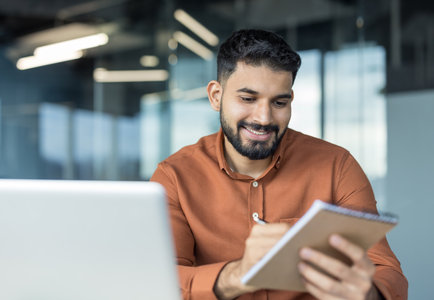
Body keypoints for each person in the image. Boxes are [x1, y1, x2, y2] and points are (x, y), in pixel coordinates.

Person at [151, 29, 408, 300]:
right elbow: (159, 282)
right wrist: (238, 275)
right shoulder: (174, 177)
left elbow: (387, 272)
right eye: (248, 99)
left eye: (279, 102)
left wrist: (368, 293)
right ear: (216, 96)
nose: (264, 118)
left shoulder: (337, 166)